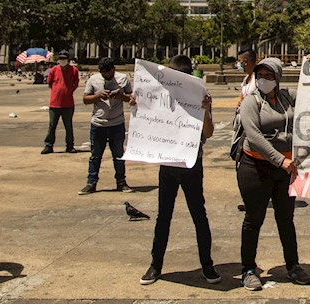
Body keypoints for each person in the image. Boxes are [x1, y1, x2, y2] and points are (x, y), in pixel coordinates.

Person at [139, 55, 219, 285]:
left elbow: (208, 132)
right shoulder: (161, 96)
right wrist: (138, 104)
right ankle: (156, 264)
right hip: (168, 164)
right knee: (164, 215)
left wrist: (206, 110)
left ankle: (207, 264)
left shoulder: (199, 96)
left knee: (198, 214)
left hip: (191, 163)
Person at [235, 57, 310, 291]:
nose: (263, 80)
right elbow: (254, 136)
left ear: (278, 77)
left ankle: (293, 265)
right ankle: (248, 269)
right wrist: (280, 160)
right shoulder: (251, 101)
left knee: (286, 219)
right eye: (260, 75)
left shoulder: (288, 97)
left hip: (285, 170)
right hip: (256, 167)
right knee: (253, 219)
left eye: (269, 76)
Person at [80, 57, 133, 195]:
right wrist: (98, 96)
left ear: (113, 70)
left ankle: (121, 182)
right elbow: (85, 99)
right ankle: (91, 182)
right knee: (95, 156)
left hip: (117, 123)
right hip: (98, 124)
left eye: (109, 74)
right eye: (103, 74)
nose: (106, 76)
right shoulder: (93, 79)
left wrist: (120, 96)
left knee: (118, 155)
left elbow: (131, 98)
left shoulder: (123, 79)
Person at [41, 51, 79, 155]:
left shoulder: (73, 70)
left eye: (64, 59)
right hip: (54, 103)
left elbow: (76, 83)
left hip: (68, 104)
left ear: (68, 60)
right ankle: (48, 145)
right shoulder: (54, 70)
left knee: (68, 126)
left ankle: (70, 146)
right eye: (61, 58)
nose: (62, 60)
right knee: (52, 126)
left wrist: (69, 91)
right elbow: (49, 83)